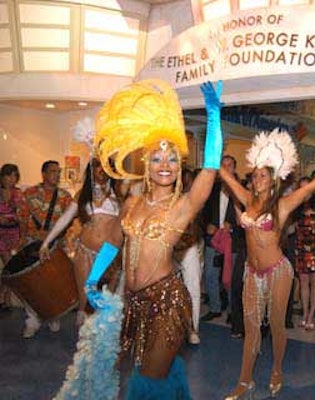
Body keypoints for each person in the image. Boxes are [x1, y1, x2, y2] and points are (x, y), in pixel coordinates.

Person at [54, 79, 224, 400]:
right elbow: (114, 243)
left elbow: (210, 172)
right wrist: (92, 280)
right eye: (158, 159)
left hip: (167, 304)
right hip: (131, 302)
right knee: (137, 369)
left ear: (179, 166)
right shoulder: (131, 203)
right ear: (147, 163)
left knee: (146, 382)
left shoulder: (181, 208)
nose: (165, 165)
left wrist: (213, 117)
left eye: (173, 159)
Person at [219, 130, 315, 399]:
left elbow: (310, 188)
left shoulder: (281, 205)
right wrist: (217, 143)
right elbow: (222, 174)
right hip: (252, 271)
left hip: (278, 271)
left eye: (262, 175)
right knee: (251, 328)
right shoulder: (247, 199)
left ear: (273, 180)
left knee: (277, 326)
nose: (257, 179)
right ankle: (244, 381)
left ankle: (277, 370)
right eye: (255, 175)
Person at [39, 158, 121, 326]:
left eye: (106, 168)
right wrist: (45, 243)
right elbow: (64, 219)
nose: (102, 171)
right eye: (97, 167)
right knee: (84, 302)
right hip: (85, 252)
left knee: (106, 303)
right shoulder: (83, 194)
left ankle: (100, 345)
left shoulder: (119, 195)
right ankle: (84, 345)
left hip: (109, 256)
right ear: (91, 171)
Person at [17, 160, 72, 338]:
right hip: (32, 245)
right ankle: (32, 321)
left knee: (52, 284)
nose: (57, 175)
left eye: (59, 171)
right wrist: (22, 242)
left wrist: (67, 243)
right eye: (53, 171)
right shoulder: (29, 193)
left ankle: (52, 316)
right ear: (44, 174)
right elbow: (22, 220)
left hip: (55, 246)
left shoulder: (64, 196)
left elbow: (69, 223)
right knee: (31, 285)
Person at [201, 155, 242, 324]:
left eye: (229, 165)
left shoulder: (241, 190)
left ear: (234, 168)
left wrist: (232, 227)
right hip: (213, 240)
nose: (225, 168)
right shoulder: (212, 189)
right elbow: (202, 212)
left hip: (233, 242)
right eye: (223, 166)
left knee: (230, 278)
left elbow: (248, 217)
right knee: (210, 274)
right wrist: (207, 226)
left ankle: (233, 311)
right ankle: (215, 308)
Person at [294, 176, 315, 331]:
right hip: (301, 248)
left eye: (307, 187)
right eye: (301, 187)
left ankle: (311, 316)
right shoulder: (297, 206)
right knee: (303, 282)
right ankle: (304, 314)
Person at [174, 167, 203, 344]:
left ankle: (193, 328)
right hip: (169, 249)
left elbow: (195, 225)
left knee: (193, 287)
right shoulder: (166, 198)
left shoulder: (192, 200)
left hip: (189, 247)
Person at [0, 164, 23, 310]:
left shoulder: (19, 193)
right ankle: (4, 296)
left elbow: (23, 214)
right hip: (0, 233)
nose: (11, 179)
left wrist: (15, 218)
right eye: (8, 175)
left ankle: (5, 298)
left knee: (10, 268)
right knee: (9, 265)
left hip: (14, 232)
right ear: (2, 176)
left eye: (14, 175)